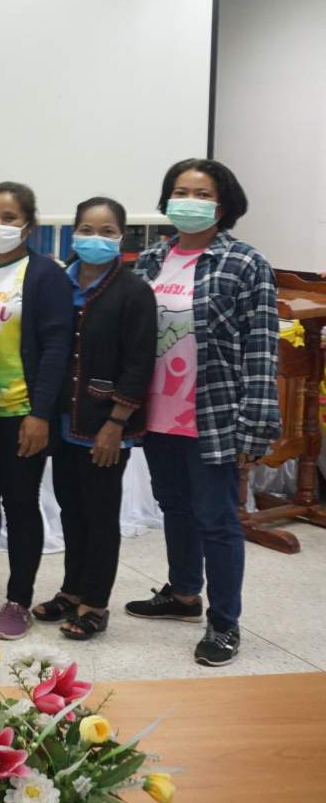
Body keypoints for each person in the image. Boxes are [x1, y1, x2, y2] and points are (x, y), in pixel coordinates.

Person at [125, 159, 278, 667]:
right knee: (175, 506)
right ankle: (184, 594)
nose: (189, 201)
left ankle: (225, 622)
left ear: (223, 202)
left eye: (202, 193)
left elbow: (261, 348)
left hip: (214, 412)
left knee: (217, 519)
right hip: (157, 411)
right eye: (180, 191)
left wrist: (256, 423)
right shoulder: (151, 259)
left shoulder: (244, 262)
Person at [33, 196, 156, 642]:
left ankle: (95, 602)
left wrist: (116, 423)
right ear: (73, 232)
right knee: (71, 508)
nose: (95, 238)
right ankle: (71, 589)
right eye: (87, 229)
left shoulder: (133, 292)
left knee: (101, 515)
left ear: (121, 237)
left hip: (105, 425)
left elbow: (139, 363)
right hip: (64, 421)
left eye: (107, 231)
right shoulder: (58, 283)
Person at [0, 182, 72, 640]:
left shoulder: (44, 274)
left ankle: (18, 600)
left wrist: (40, 413)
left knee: (21, 505)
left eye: (9, 218)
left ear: (29, 224)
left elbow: (56, 348)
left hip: (21, 413)